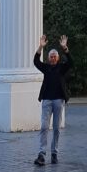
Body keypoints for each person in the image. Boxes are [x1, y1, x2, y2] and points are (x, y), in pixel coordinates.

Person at [33, 34, 71, 165]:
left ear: (58, 58)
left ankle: (54, 153)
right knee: (44, 126)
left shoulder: (61, 68)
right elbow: (36, 62)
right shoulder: (46, 67)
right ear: (49, 59)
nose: (53, 58)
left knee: (56, 128)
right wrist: (40, 47)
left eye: (55, 56)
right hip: (47, 100)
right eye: (51, 57)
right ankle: (42, 154)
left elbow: (71, 62)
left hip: (59, 101)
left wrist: (65, 48)